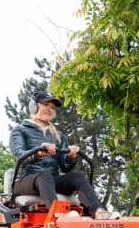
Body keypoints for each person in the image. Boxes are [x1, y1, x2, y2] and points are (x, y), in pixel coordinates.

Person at [9, 91, 120, 219]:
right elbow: (19, 156)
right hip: (25, 180)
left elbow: (65, 167)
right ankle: (60, 215)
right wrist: (38, 152)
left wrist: (70, 157)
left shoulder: (58, 136)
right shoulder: (20, 130)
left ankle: (99, 212)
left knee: (77, 176)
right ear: (34, 106)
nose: (49, 109)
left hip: (51, 181)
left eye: (52, 107)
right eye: (46, 105)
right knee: (44, 175)